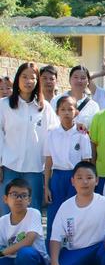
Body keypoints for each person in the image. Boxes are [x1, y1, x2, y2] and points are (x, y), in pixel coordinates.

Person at [0, 62, 59, 213]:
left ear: (37, 81)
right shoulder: (4, 105)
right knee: (7, 212)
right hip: (9, 167)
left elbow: (56, 133)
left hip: (34, 169)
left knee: (33, 212)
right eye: (24, 77)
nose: (28, 81)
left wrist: (78, 127)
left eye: (32, 78)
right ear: (17, 79)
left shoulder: (44, 107)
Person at [44, 96, 92, 244]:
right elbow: (48, 161)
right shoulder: (51, 133)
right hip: (58, 177)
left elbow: (86, 161)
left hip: (76, 178)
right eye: (62, 109)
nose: (66, 113)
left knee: (75, 213)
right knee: (54, 213)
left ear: (76, 112)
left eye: (70, 109)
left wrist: (84, 182)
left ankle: (76, 245)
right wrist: (46, 186)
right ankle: (51, 248)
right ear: (57, 112)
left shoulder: (82, 135)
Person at [0, 178, 49, 265]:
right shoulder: (2, 221)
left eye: (23, 195)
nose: (19, 199)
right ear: (5, 199)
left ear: (29, 200)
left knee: (25, 253)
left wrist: (3, 252)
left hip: (35, 262)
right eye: (14, 195)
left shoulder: (33, 213)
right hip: (12, 262)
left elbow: (28, 241)